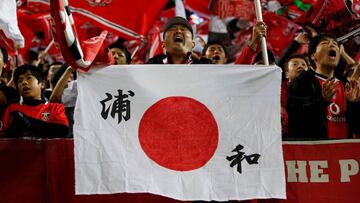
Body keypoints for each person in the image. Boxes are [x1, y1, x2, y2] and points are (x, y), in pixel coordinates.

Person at [286, 33, 360, 139]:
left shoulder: (346, 85)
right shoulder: (302, 82)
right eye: (325, 43)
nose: (332, 45)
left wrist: (354, 104)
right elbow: (297, 118)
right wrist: (323, 101)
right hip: (316, 152)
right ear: (313, 56)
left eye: (335, 44)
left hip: (344, 152)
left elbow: (357, 127)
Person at [0, 64, 69, 138]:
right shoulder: (12, 109)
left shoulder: (55, 108)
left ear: (42, 84)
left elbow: (62, 131)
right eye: (20, 81)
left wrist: (29, 123)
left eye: (29, 78)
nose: (24, 82)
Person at [147, 16, 211, 64]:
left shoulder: (208, 67)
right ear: (163, 43)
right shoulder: (150, 66)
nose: (178, 31)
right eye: (173, 29)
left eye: (183, 29)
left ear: (192, 44)